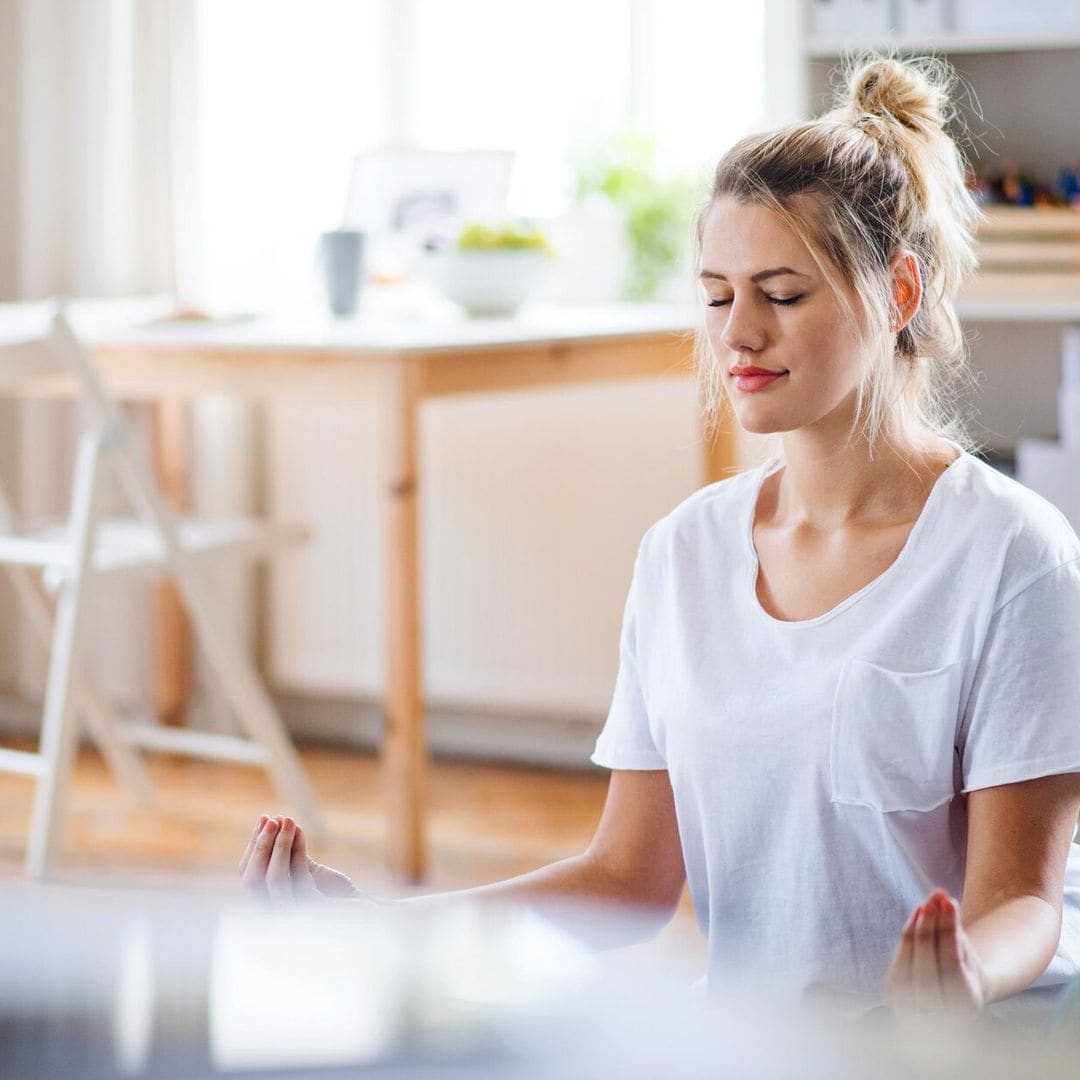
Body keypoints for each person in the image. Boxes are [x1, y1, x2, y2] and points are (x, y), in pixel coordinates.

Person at [240, 54, 1080, 1021]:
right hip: (757, 1045)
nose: (739, 336)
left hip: (975, 1040)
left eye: (783, 293)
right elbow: (628, 878)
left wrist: (965, 972)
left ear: (895, 294)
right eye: (719, 295)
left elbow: (1023, 903)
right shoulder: (682, 555)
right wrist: (388, 927)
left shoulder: (1016, 556)